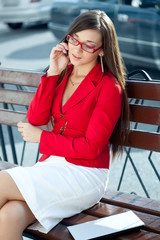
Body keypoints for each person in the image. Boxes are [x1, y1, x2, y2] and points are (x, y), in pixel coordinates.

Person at [0, 10, 129, 239]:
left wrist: (42, 138)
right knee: (8, 217)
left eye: (89, 45)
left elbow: (90, 148)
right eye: (74, 39)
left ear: (102, 51)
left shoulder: (109, 87)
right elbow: (37, 119)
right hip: (50, 167)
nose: (77, 49)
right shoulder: (63, 72)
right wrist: (52, 72)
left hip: (84, 174)